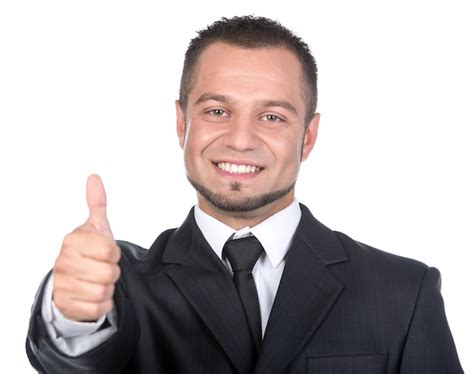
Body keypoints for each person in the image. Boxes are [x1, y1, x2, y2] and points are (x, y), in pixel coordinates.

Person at [26, 16, 463, 374]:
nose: (240, 139)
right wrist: (74, 313)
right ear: (182, 124)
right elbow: (71, 363)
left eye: (272, 116)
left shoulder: (403, 292)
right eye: (217, 111)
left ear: (308, 136)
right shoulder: (121, 286)